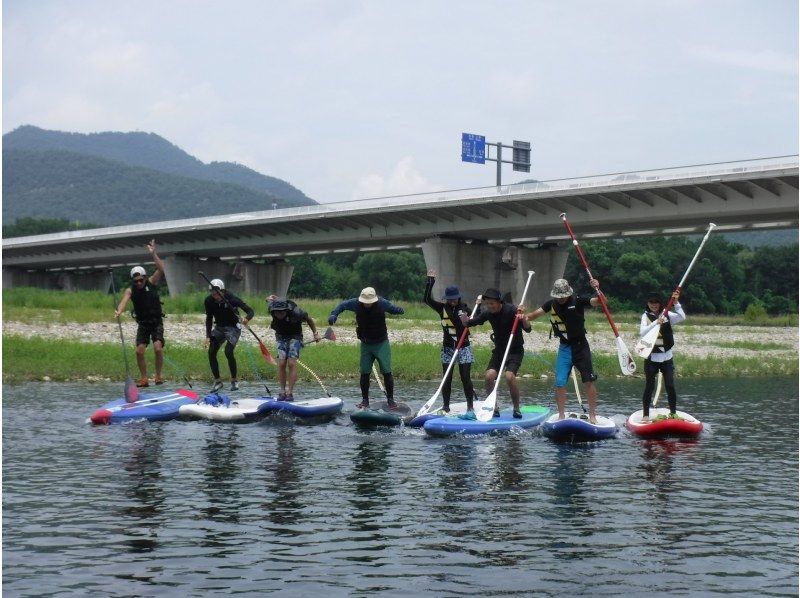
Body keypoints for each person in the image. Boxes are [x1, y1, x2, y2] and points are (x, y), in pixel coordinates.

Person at [524, 278, 602, 423]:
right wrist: (522, 315)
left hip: (581, 346)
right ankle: (561, 415)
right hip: (564, 348)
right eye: (558, 296)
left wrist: (597, 289)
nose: (560, 299)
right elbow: (533, 315)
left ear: (568, 293)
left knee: (588, 381)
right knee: (560, 382)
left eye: (563, 296)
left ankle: (592, 415)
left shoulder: (578, 301)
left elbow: (600, 302)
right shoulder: (551, 304)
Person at [328, 287, 404, 410]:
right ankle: (365, 401)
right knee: (364, 372)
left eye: (369, 302)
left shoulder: (382, 303)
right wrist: (333, 314)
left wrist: (399, 310)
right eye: (365, 302)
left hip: (381, 343)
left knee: (386, 371)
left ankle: (391, 400)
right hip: (366, 343)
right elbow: (342, 305)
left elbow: (393, 309)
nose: (367, 305)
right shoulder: (355, 303)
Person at [459, 288, 531, 419]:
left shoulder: (512, 310)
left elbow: (528, 329)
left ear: (499, 302)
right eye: (488, 304)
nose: (490, 306)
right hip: (499, 351)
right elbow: (473, 322)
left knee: (509, 376)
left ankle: (516, 408)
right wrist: (465, 321)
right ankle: (494, 408)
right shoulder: (488, 313)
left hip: (515, 351)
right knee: (489, 376)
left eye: (492, 303)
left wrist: (524, 318)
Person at [423, 269, 477, 416]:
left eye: (455, 299)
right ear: (446, 299)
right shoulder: (441, 308)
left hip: (463, 347)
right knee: (447, 377)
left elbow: (477, 318)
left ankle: (470, 407)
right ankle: (446, 406)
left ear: (459, 298)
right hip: (447, 348)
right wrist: (430, 282)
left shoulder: (465, 308)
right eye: (450, 299)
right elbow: (426, 300)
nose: (453, 301)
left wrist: (468, 317)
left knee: (465, 377)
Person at [114, 239, 165, 387]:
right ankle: (144, 379)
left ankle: (158, 376)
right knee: (139, 352)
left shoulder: (152, 282)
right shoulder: (130, 290)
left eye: (140, 280)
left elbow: (161, 269)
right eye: (135, 281)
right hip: (143, 324)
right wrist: (119, 311)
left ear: (144, 277)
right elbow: (124, 301)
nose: (138, 283)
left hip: (156, 322)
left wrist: (153, 253)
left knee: (157, 348)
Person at [640, 290, 685, 421]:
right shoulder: (645, 316)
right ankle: (646, 415)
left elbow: (682, 317)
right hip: (651, 358)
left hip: (667, 357)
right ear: (648, 304)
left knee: (670, 385)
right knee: (649, 386)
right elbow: (642, 332)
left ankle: (673, 413)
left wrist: (676, 303)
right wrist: (656, 322)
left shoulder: (666, 313)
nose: (654, 305)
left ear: (660, 304)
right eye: (651, 302)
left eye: (656, 303)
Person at [204, 279, 254, 392]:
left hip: (233, 328)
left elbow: (250, 311)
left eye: (217, 293)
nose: (215, 296)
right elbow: (209, 318)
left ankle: (234, 381)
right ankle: (217, 382)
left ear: (223, 291)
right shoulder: (208, 301)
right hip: (219, 328)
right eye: (212, 293)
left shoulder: (232, 299)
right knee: (211, 352)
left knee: (228, 352)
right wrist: (207, 336)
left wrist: (246, 319)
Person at [266, 295, 321, 401]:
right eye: (277, 312)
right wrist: (270, 299)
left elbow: (309, 320)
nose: (279, 314)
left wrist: (315, 333)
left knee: (291, 363)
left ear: (286, 310)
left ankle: (290, 393)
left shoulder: (297, 313)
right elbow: (269, 301)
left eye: (281, 312)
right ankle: (282, 392)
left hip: (295, 336)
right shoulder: (272, 309)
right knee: (282, 363)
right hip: (281, 336)